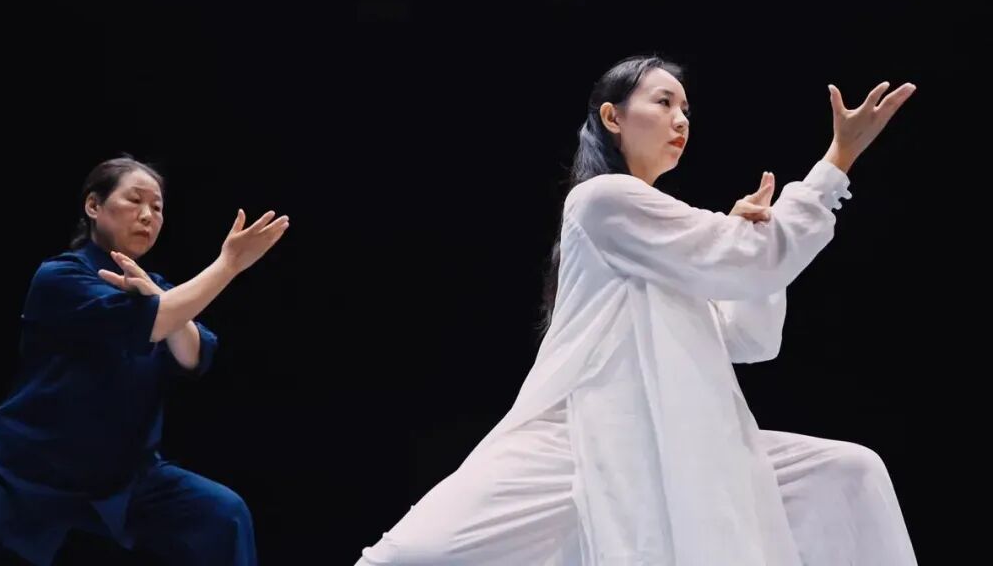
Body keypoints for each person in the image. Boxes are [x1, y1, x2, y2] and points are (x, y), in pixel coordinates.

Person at [353, 56, 918, 565]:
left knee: (846, 473)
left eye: (686, 109)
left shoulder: (669, 236)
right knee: (414, 554)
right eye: (663, 102)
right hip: (582, 436)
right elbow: (753, 259)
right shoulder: (602, 199)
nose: (680, 120)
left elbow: (749, 339)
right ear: (613, 117)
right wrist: (836, 161)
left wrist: (746, 254)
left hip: (674, 437)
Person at [0, 157, 289, 565]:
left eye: (157, 207)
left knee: (223, 514)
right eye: (135, 200)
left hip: (123, 481)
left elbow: (193, 353)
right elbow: (156, 322)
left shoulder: (159, 290)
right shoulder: (61, 277)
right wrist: (227, 265)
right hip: (22, 472)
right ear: (94, 206)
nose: (147, 215)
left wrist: (160, 298)